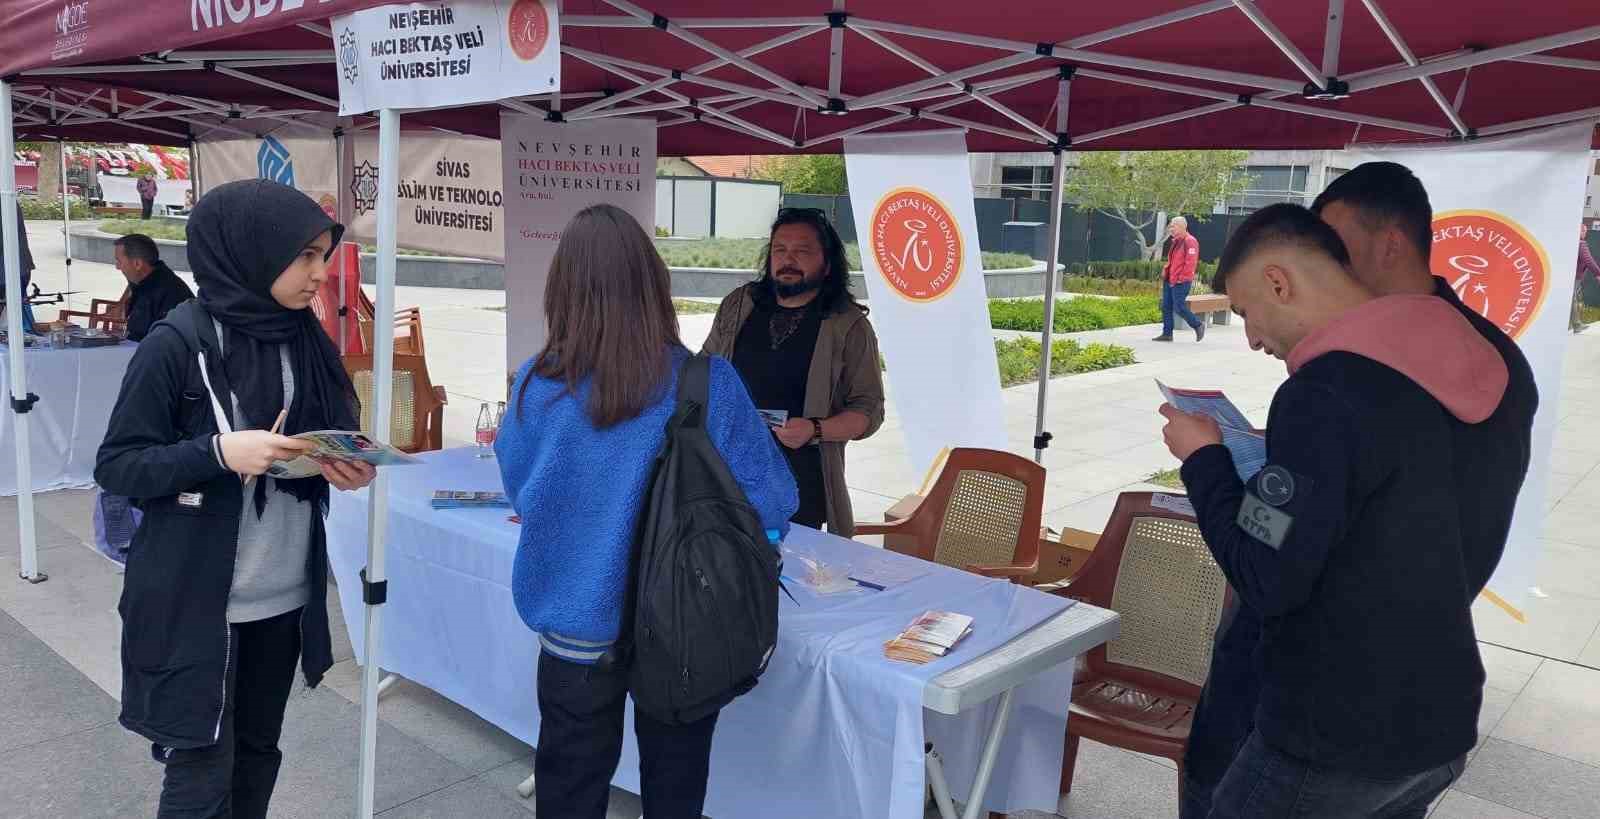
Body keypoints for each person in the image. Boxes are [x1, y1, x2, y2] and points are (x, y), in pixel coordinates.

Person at [1179, 161, 1542, 819]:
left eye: (1246, 313)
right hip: (1436, 710)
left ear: (1278, 282)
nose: (1253, 338)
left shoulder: (1323, 391)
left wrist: (1204, 461)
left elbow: (1264, 570)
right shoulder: (1465, 359)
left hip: (1333, 728)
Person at [496, 204, 798, 819]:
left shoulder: (535, 384)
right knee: (676, 791)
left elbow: (520, 489)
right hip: (687, 625)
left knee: (568, 788)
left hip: (575, 626)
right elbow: (771, 501)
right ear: (654, 284)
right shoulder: (708, 383)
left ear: (562, 290)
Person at [96, 179, 375, 819]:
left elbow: (319, 436)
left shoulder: (305, 338)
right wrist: (218, 452)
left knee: (257, 753)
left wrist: (337, 465)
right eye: (304, 257)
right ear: (251, 252)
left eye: (323, 256)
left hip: (282, 596)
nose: (319, 274)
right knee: (200, 771)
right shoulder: (176, 342)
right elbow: (118, 464)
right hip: (196, 599)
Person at [701, 207, 885, 534]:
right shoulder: (739, 305)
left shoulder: (848, 325)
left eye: (802, 251)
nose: (788, 260)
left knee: (786, 564)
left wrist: (815, 429)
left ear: (827, 264)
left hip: (799, 486)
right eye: (780, 250)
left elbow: (869, 411)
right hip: (727, 477)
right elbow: (705, 370)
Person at [114, 233, 195, 341]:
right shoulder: (146, 278)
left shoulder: (168, 291)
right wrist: (121, 305)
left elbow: (164, 340)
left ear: (137, 264)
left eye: (119, 261)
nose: (117, 267)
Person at [1155, 216, 1206, 342]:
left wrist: (1181, 278)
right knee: (1166, 307)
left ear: (1183, 226)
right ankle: (1167, 334)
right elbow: (1173, 261)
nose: (1171, 229)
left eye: (1173, 226)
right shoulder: (1176, 241)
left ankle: (1198, 325)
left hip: (1180, 281)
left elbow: (1191, 263)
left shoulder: (1190, 241)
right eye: (1170, 226)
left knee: (1179, 307)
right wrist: (1166, 270)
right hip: (1170, 279)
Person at [1574, 222, 1599, 332]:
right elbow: (1589, 261)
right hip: (1576, 277)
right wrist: (1598, 273)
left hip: (1572, 276)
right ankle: (1577, 325)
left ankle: (1576, 324)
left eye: (1585, 231)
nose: (1585, 233)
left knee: (1573, 299)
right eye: (1583, 231)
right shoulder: (1581, 244)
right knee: (1573, 300)